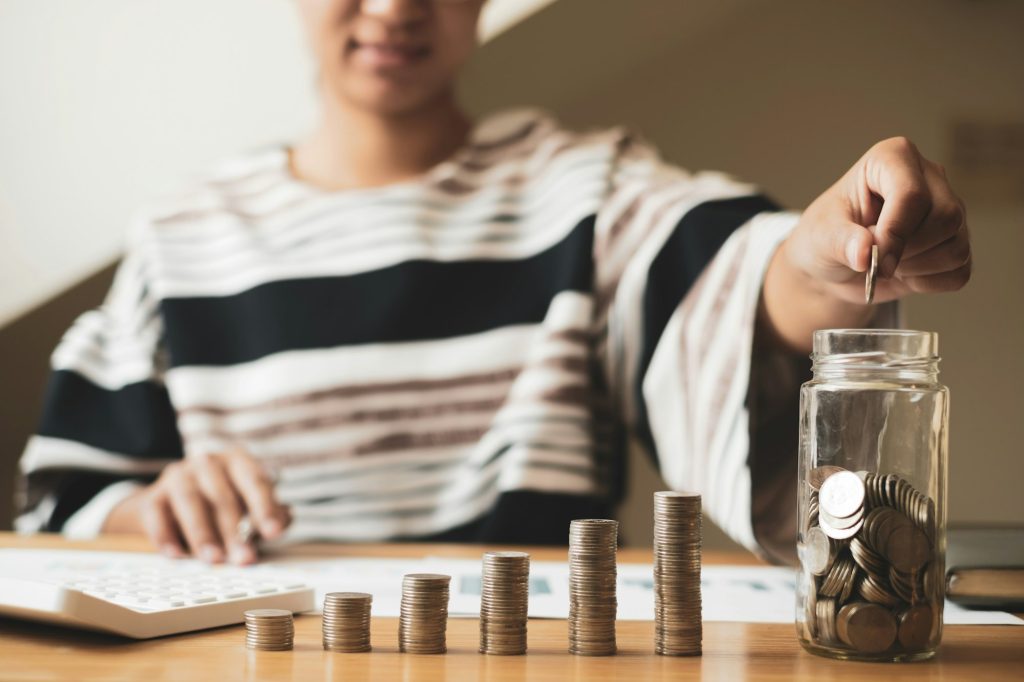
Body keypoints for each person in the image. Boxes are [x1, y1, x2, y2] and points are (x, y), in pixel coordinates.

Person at [15, 0, 970, 567]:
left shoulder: (579, 192)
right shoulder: (182, 237)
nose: (395, 6)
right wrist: (160, 509)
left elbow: (727, 288)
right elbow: (73, 507)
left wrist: (815, 259)